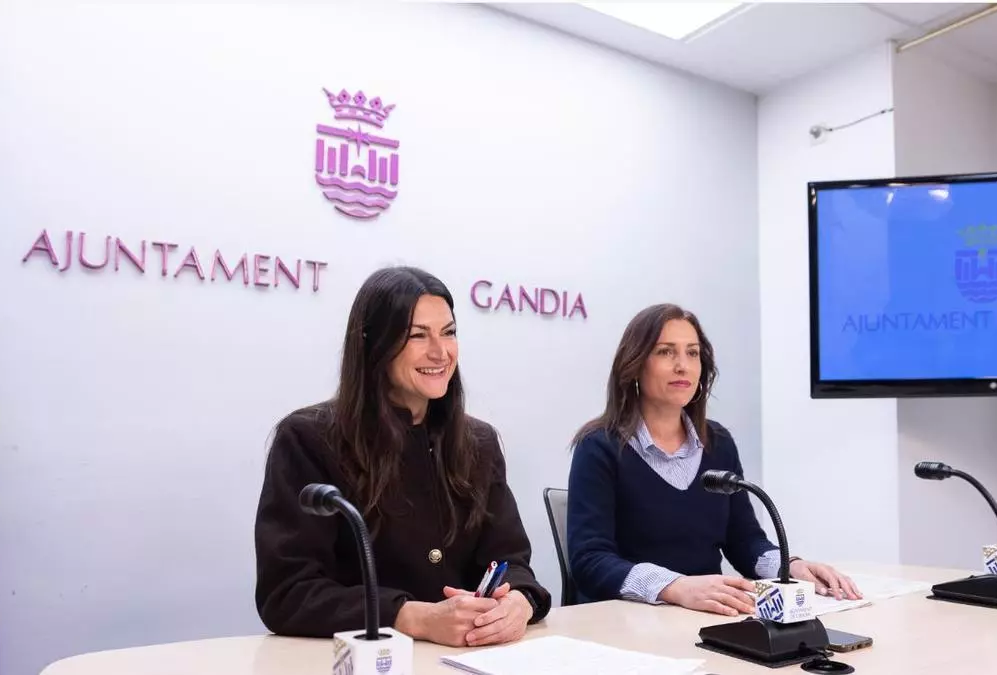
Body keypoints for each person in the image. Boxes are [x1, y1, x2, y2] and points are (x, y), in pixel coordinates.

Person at [255, 266, 551, 646]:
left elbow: (510, 561)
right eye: (417, 335)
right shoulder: (308, 439)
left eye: (449, 332)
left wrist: (518, 602)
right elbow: (288, 593)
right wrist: (412, 617)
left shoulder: (479, 442)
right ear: (374, 344)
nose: (440, 352)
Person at [566, 304, 861, 617]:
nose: (683, 366)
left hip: (704, 617)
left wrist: (791, 567)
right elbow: (590, 560)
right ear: (635, 364)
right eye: (666, 352)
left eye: (692, 353)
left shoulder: (718, 443)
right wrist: (676, 587)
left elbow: (745, 541)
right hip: (625, 621)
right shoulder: (598, 446)